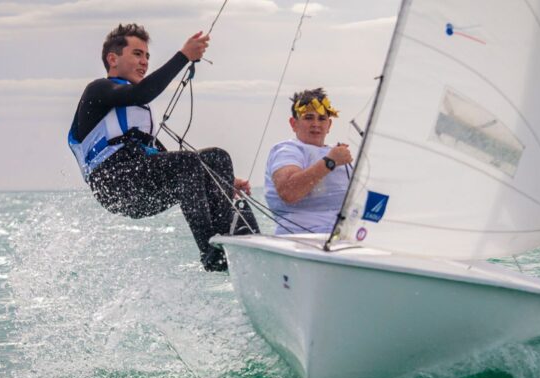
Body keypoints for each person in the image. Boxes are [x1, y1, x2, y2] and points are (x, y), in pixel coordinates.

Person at [67, 23, 257, 271]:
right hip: (113, 185)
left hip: (141, 181)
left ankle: (232, 239)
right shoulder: (99, 90)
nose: (144, 62)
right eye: (137, 54)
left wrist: (218, 179)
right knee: (189, 162)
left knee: (217, 159)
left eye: (147, 56)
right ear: (112, 59)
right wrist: (184, 56)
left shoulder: (137, 111)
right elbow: (142, 94)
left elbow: (164, 159)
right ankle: (211, 253)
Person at [264, 88, 353, 235]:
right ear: (294, 123)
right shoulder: (287, 150)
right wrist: (330, 161)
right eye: (308, 117)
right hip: (299, 238)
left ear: (329, 125)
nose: (316, 124)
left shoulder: (337, 153)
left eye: (322, 119)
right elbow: (289, 192)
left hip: (343, 237)